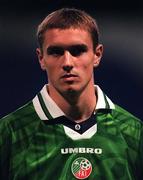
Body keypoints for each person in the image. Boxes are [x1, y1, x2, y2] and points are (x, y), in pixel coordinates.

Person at [0, 8, 142, 180]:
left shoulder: (134, 133)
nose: (67, 62)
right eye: (56, 52)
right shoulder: (9, 133)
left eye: (77, 51)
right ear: (41, 58)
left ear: (97, 55)